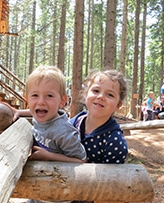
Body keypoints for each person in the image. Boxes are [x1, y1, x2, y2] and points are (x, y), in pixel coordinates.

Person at [12, 69, 128, 202]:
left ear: (118, 105)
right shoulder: (77, 120)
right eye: (96, 91)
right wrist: (19, 112)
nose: (101, 96)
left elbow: (114, 182)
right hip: (57, 187)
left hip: (85, 196)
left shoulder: (115, 142)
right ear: (86, 94)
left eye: (110, 95)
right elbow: (49, 111)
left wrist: (47, 156)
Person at [25, 66, 87, 203]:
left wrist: (48, 156)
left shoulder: (64, 132)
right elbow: (33, 111)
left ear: (62, 101)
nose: (41, 101)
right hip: (37, 189)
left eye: (49, 96)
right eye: (35, 95)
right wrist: (17, 112)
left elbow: (82, 161)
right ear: (27, 99)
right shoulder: (39, 116)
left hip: (57, 195)